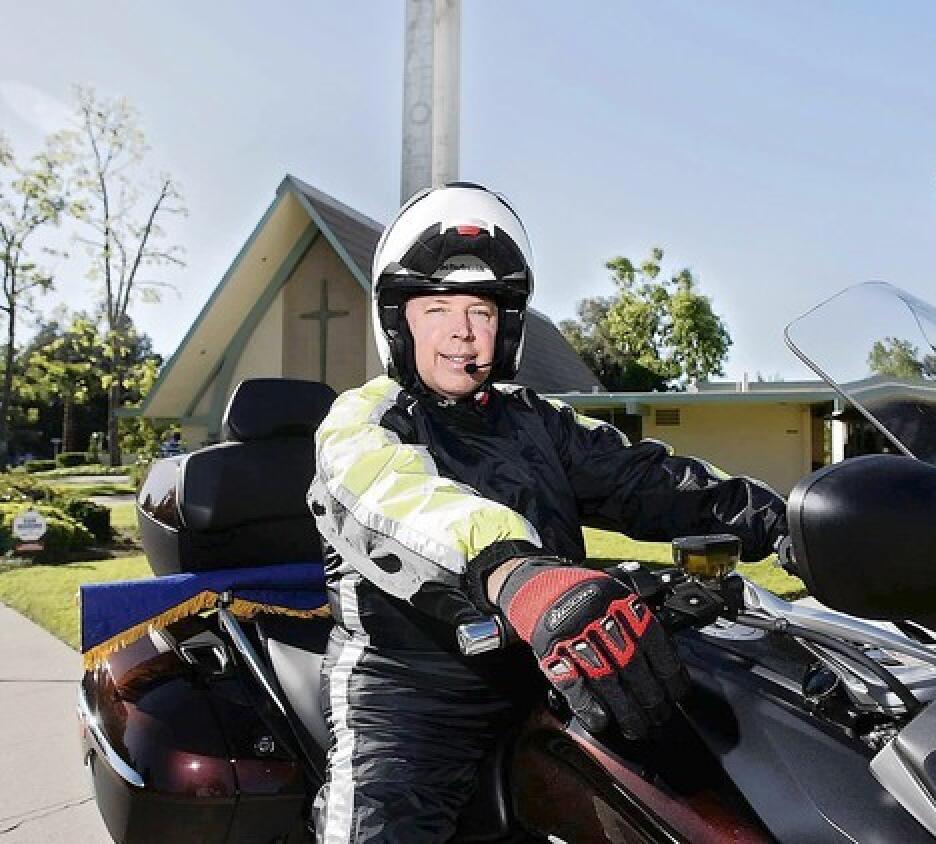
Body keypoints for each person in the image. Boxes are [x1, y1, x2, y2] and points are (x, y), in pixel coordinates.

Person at [307, 182, 787, 843]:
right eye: (437, 308)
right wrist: (517, 574)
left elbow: (649, 481)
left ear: (506, 326)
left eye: (480, 309)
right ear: (399, 321)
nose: (461, 331)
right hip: (411, 698)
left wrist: (785, 523)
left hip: (550, 674)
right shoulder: (365, 421)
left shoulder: (538, 421)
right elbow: (399, 499)